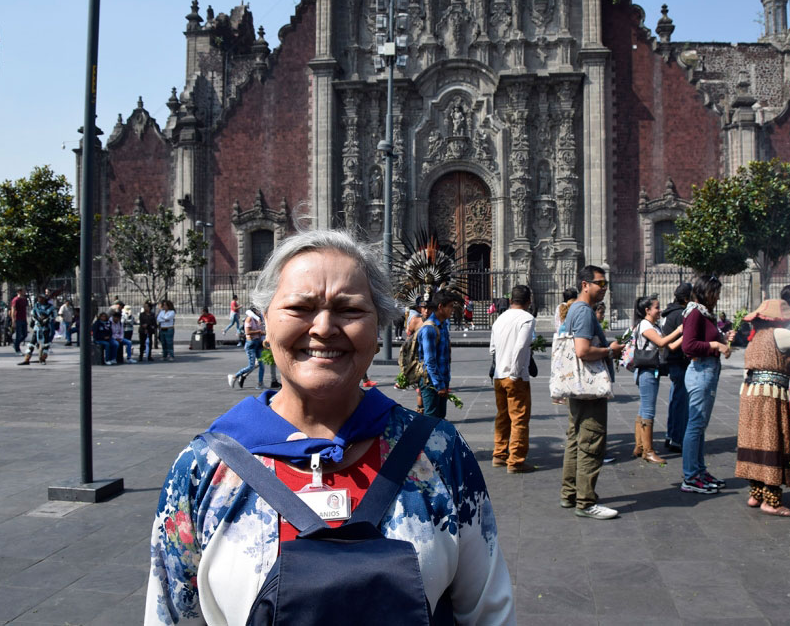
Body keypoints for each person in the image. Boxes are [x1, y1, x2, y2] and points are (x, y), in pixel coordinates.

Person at [145, 229, 514, 624]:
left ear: (378, 328)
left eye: (349, 309)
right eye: (300, 307)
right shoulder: (204, 468)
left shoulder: (439, 453)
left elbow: (488, 614)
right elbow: (172, 615)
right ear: (265, 324)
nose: (323, 327)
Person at [735, 300, 790, 516]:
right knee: (772, 441)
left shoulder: (756, 336)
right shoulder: (778, 333)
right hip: (769, 397)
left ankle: (756, 494)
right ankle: (772, 502)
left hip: (751, 395)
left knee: (755, 442)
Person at [559, 265, 622, 520]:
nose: (604, 288)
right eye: (600, 283)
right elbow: (583, 351)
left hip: (576, 386)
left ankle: (570, 493)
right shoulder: (584, 312)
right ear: (585, 284)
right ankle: (585, 502)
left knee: (575, 439)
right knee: (591, 440)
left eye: (605, 283)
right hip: (589, 387)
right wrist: (610, 351)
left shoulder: (574, 309)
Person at [680, 275, 734, 494]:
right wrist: (715, 345)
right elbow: (688, 346)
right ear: (706, 292)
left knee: (700, 425)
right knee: (695, 425)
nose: (718, 297)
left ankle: (699, 470)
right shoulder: (694, 312)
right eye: (716, 293)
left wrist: (723, 338)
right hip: (700, 371)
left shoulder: (704, 313)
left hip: (707, 370)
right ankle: (691, 476)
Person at [489, 285, 536, 473]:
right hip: (514, 376)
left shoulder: (499, 319)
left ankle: (499, 454)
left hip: (499, 375)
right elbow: (521, 347)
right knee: (519, 418)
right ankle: (516, 460)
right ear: (528, 302)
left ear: (511, 300)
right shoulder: (527, 319)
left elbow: (492, 348)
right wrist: (515, 373)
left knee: (502, 416)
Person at [631, 294, 683, 464]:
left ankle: (639, 446)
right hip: (646, 371)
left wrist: (685, 334)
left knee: (643, 409)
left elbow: (671, 345)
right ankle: (648, 451)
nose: (660, 310)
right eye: (657, 307)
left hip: (653, 370)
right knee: (648, 410)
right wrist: (679, 330)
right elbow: (661, 343)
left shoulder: (655, 326)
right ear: (647, 310)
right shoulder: (645, 325)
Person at [661, 282, 692, 452]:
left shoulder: (670, 312)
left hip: (672, 360)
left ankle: (671, 434)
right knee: (681, 401)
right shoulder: (681, 314)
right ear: (686, 298)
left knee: (675, 399)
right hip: (679, 361)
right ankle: (677, 438)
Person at [418, 290, 457, 419]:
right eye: (450, 306)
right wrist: (439, 385)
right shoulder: (429, 329)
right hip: (431, 382)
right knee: (431, 419)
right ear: (441, 307)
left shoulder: (443, 325)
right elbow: (430, 361)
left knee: (440, 418)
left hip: (442, 380)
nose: (452, 310)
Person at [228, 308, 267, 390]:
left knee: (261, 365)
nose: (259, 312)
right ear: (254, 311)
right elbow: (247, 332)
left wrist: (263, 333)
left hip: (258, 343)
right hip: (251, 343)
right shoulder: (249, 319)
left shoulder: (258, 319)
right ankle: (234, 376)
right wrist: (259, 332)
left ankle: (260, 383)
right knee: (251, 366)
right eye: (257, 311)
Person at [18, 295, 57, 365]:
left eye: (41, 298)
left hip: (46, 327)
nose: (39, 299)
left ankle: (43, 359)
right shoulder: (36, 306)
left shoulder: (50, 307)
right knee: (32, 342)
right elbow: (33, 314)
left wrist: (46, 319)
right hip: (37, 326)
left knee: (46, 343)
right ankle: (27, 359)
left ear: (44, 299)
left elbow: (54, 315)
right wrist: (37, 319)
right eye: (38, 298)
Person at [10, 289, 28, 354]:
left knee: (25, 334)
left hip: (24, 319)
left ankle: (15, 344)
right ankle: (17, 349)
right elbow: (13, 310)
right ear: (19, 292)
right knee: (18, 335)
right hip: (17, 319)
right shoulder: (15, 300)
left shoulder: (24, 300)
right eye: (23, 291)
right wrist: (13, 321)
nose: (25, 292)